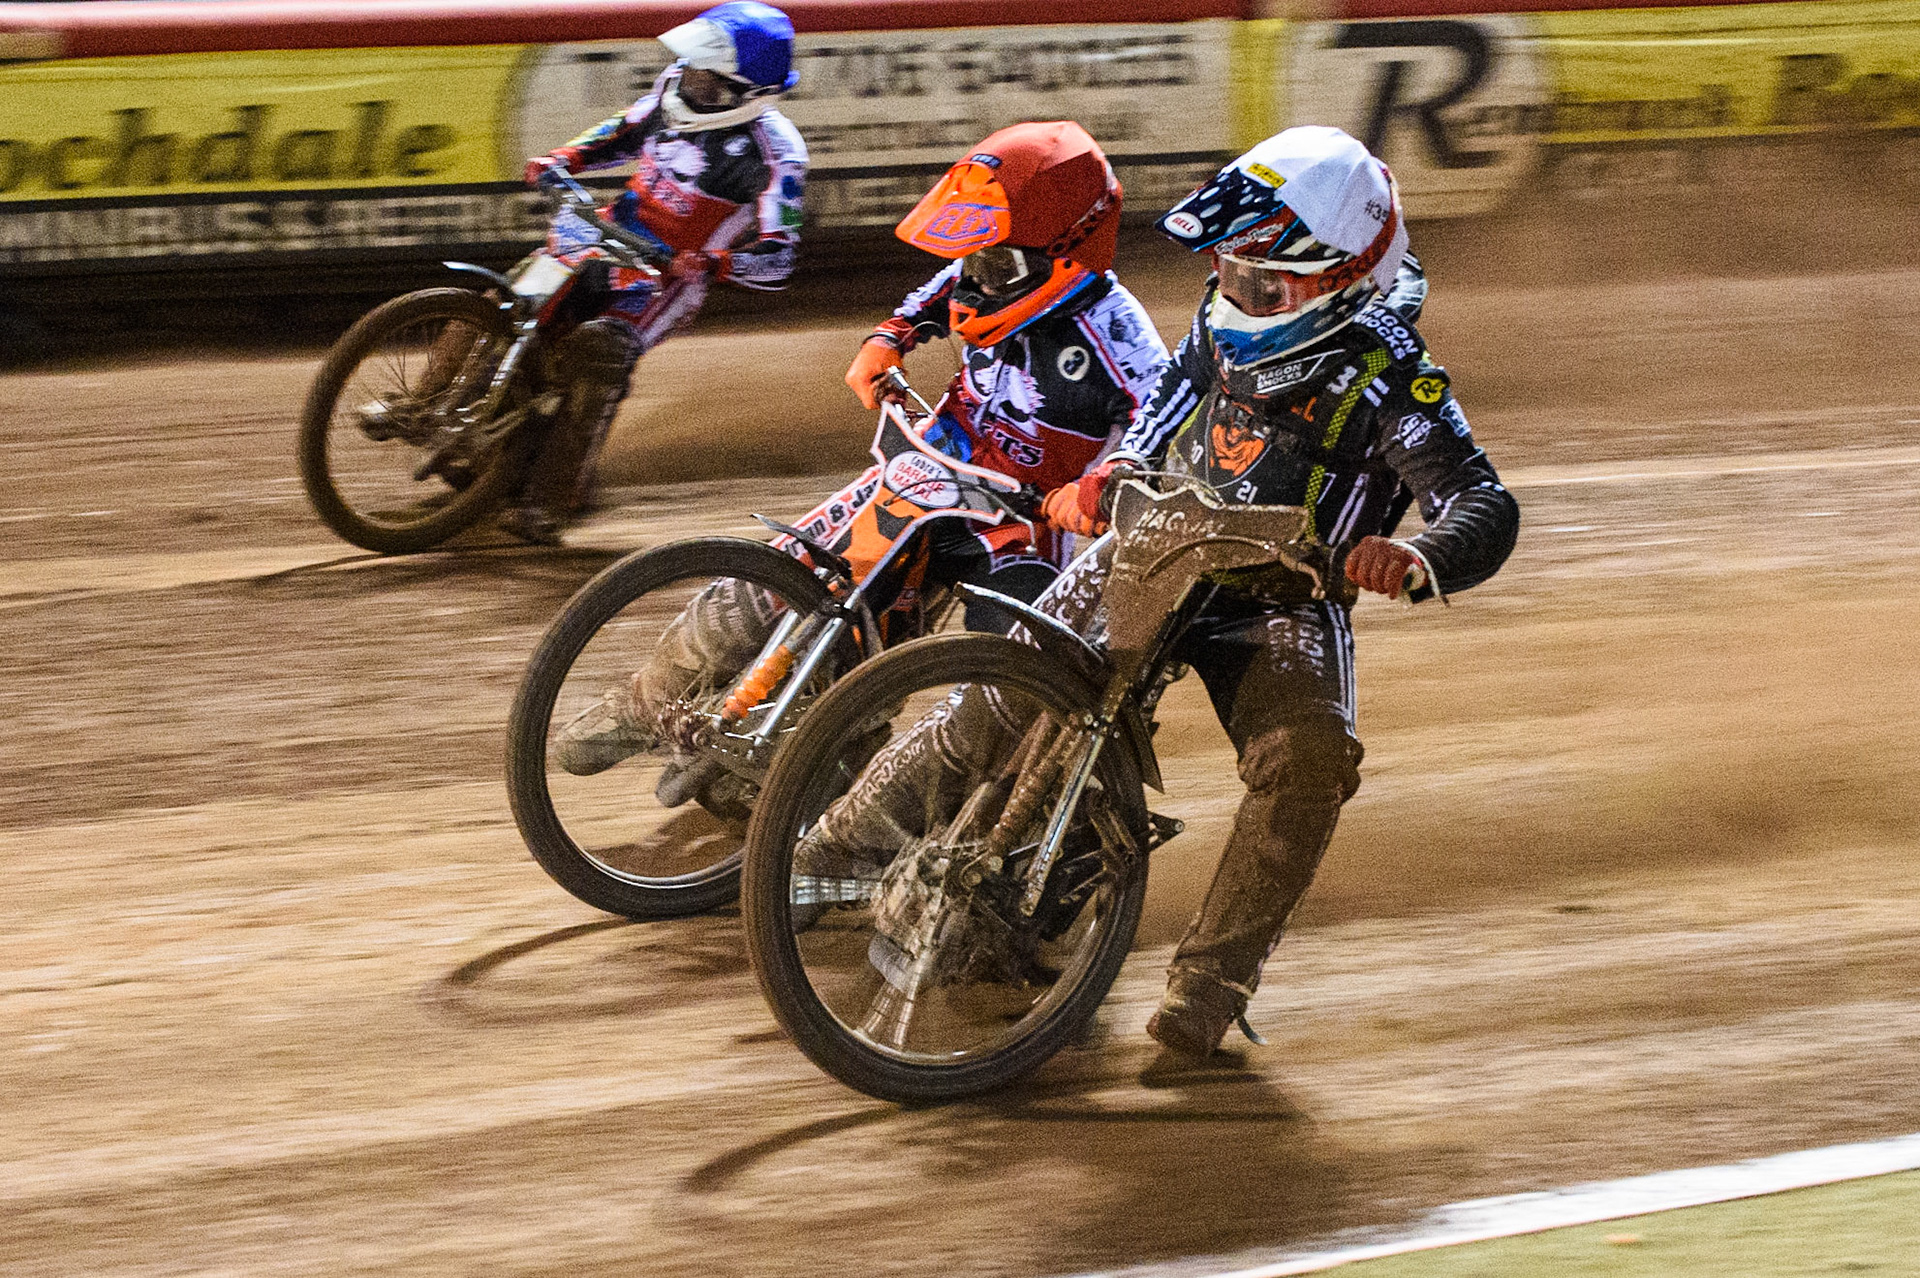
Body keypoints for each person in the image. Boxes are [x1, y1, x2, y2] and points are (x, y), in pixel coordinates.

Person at [799, 125, 1519, 1059]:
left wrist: (1418, 559)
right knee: (1005, 691)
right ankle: (827, 852)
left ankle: (1212, 980)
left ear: (1344, 275)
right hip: (1156, 541)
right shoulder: (1221, 323)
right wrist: (1114, 474)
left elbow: (1482, 501)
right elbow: (1164, 410)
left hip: (1282, 596)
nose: (1237, 292)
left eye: (1266, 281)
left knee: (1307, 759)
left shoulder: (1392, 374)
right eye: (1229, 269)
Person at [551, 121, 1170, 776]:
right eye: (975, 260)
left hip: (1025, 528)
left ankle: (870, 807)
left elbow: (1160, 422)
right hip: (932, 468)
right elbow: (943, 288)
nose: (975, 283)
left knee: (1009, 687)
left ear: (1070, 250)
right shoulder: (986, 274)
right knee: (780, 579)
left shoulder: (1120, 336)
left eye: (996, 266)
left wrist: (1102, 487)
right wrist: (892, 336)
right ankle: (645, 705)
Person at [504, 0, 808, 544]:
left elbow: (780, 257)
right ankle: (422, 406)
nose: (689, 86)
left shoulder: (776, 157)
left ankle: (553, 497)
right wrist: (565, 158)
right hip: (603, 235)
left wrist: (716, 263)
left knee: (599, 350)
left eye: (707, 83)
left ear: (749, 95)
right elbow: (626, 130)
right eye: (689, 70)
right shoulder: (675, 89)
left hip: (666, 279)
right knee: (507, 300)